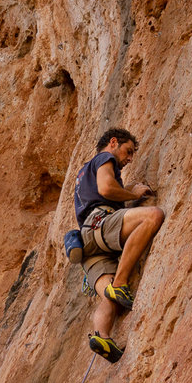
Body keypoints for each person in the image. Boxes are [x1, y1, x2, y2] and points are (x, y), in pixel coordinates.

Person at [73, 128, 164, 362]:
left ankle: (102, 336)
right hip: (101, 224)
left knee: (109, 296)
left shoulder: (83, 173)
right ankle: (121, 283)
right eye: (128, 151)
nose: (130, 158)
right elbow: (105, 189)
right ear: (113, 143)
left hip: (88, 245)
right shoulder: (105, 158)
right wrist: (130, 194)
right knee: (153, 216)